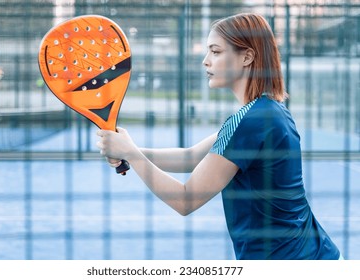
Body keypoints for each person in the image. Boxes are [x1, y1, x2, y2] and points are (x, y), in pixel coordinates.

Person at [97, 13, 341, 260]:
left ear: (247, 57)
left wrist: (131, 154)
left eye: (215, 51)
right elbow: (191, 157)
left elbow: (185, 199)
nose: (205, 61)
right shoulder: (265, 112)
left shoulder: (253, 121)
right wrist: (129, 149)